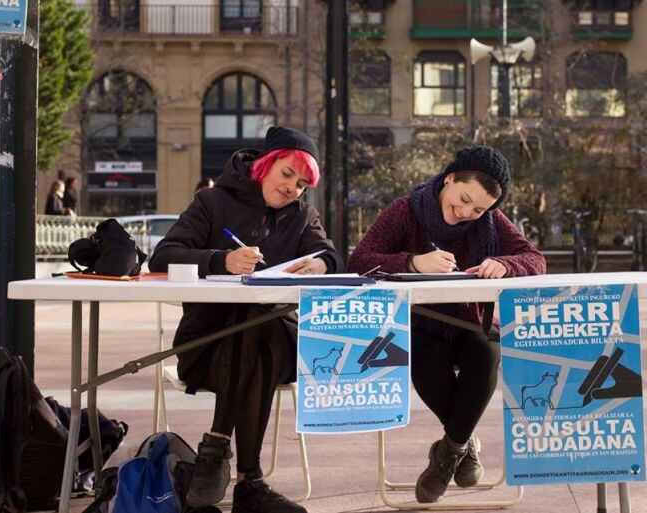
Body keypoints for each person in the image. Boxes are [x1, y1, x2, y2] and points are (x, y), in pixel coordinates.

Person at [149, 126, 341, 513]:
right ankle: (250, 484)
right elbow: (163, 255)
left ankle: (216, 449)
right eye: (287, 174)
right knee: (255, 327)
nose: (293, 189)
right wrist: (220, 260)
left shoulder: (303, 216)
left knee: (260, 324)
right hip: (207, 347)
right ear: (265, 166)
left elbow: (334, 258)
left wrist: (319, 264)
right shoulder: (212, 202)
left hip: (277, 349)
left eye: (302, 184)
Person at [347, 145, 546, 503]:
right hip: (419, 324)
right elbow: (359, 259)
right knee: (426, 362)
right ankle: (464, 445)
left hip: (470, 321)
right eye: (465, 199)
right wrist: (411, 263)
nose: (467, 212)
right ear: (450, 177)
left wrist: (505, 264)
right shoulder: (406, 210)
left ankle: (447, 453)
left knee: (485, 357)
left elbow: (534, 258)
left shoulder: (489, 221)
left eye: (479, 208)